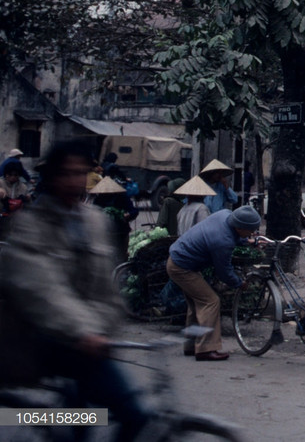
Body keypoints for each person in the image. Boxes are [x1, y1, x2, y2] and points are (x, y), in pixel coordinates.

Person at [0, 139, 148, 441]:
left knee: (98, 417)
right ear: (52, 176)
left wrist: (107, 325)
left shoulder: (94, 222)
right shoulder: (31, 225)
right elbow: (44, 290)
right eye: (65, 173)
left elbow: (106, 286)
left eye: (80, 173)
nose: (73, 181)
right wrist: (85, 332)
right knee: (130, 413)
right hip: (45, 339)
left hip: (88, 340)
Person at [166, 205, 261, 360]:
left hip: (180, 260)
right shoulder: (223, 241)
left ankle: (191, 345)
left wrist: (247, 241)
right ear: (239, 227)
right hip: (181, 267)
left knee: (197, 304)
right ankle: (205, 349)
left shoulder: (225, 215)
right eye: (250, 230)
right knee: (210, 302)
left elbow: (235, 235)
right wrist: (239, 283)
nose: (252, 233)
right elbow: (224, 272)